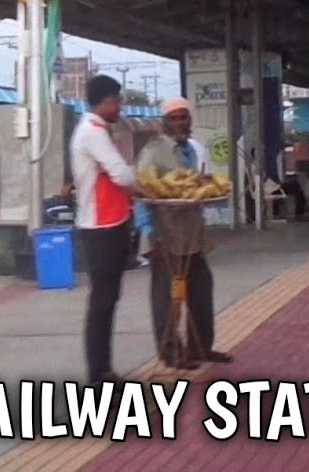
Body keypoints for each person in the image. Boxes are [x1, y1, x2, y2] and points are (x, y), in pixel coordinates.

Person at [133, 98, 233, 370]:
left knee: (201, 289)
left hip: (192, 233)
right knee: (167, 297)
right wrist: (149, 231)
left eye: (183, 117)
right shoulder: (154, 150)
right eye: (173, 118)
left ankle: (200, 347)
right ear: (165, 122)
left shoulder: (193, 148)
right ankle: (171, 351)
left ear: (190, 120)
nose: (179, 123)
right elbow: (141, 192)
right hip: (164, 233)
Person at [69, 75, 140, 385]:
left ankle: (104, 370)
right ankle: (98, 376)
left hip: (109, 223)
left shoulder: (94, 130)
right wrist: (142, 181)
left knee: (107, 301)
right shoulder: (93, 132)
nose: (119, 107)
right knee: (102, 303)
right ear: (104, 101)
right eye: (116, 101)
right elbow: (121, 174)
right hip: (102, 228)